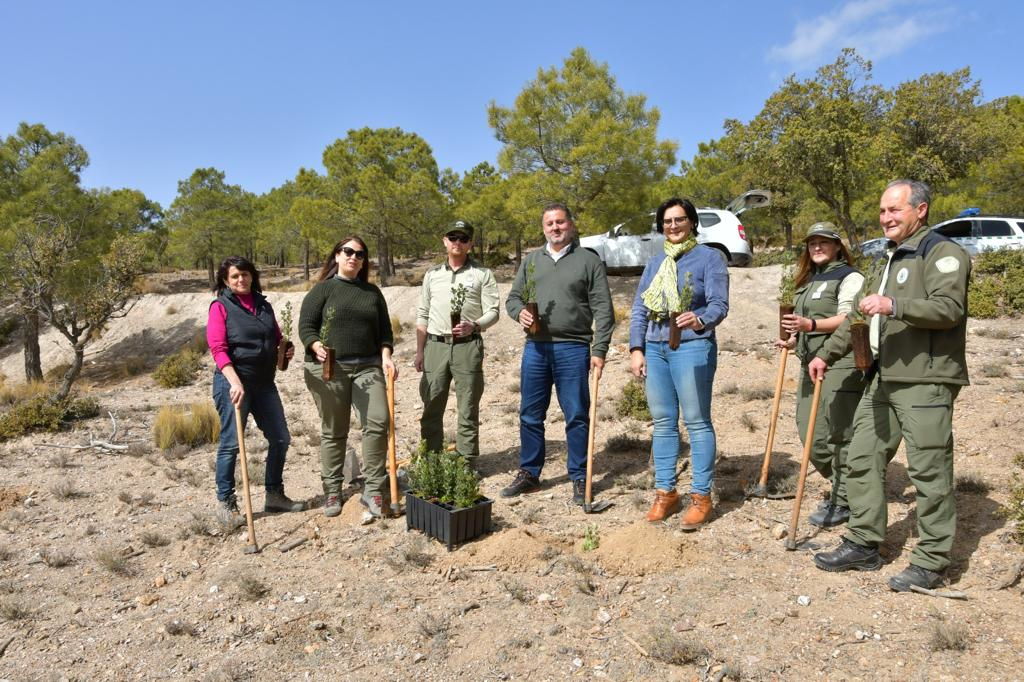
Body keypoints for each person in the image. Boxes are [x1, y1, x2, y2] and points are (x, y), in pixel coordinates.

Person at [810, 180, 970, 592]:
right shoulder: (888, 259)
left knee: (929, 470)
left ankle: (932, 562)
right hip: (882, 377)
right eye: (882, 211)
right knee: (862, 457)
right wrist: (824, 354)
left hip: (925, 380)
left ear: (921, 210)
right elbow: (856, 320)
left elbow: (949, 308)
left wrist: (894, 305)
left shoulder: (942, 253)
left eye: (895, 210)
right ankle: (863, 542)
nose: (886, 218)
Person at [502, 203, 615, 503]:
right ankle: (530, 473)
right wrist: (519, 314)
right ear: (543, 228)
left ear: (571, 225)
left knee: (577, 415)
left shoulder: (588, 261)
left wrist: (600, 349)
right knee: (529, 414)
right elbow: (513, 298)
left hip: (574, 348)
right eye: (549, 223)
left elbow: (604, 309)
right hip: (536, 349)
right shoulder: (531, 261)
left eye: (560, 222)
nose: (555, 228)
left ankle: (580, 476)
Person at [628, 198, 729, 529]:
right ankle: (666, 492)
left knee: (697, 421)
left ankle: (701, 496)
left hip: (692, 347)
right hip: (655, 349)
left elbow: (719, 305)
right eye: (667, 221)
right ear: (661, 226)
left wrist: (699, 319)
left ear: (692, 222)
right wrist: (636, 348)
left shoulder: (709, 258)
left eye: (679, 219)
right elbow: (641, 308)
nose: (673, 226)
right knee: (663, 422)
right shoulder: (655, 262)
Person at [298, 236, 397, 519]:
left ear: (364, 261)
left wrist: (386, 356)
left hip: (368, 368)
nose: (353, 257)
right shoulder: (323, 290)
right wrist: (315, 345)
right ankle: (332, 490)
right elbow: (306, 327)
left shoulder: (372, 293)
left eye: (360, 254)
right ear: (337, 256)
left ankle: (374, 489)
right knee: (334, 430)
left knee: (378, 422)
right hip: (331, 368)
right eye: (348, 252)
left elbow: (385, 333)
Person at [775, 222, 865, 528]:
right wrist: (794, 338)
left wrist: (810, 326)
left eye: (824, 242)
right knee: (809, 434)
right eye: (812, 242)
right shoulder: (808, 279)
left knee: (839, 433)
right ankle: (847, 485)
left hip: (840, 362)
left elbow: (849, 318)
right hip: (808, 363)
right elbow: (802, 322)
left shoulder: (849, 277)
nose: (817, 247)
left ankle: (845, 499)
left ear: (838, 246)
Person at [207, 256, 302, 523]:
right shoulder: (220, 307)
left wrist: (285, 348)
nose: (241, 280)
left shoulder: (263, 305)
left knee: (281, 438)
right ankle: (226, 503)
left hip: (264, 384)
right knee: (230, 445)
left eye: (245, 274)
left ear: (252, 276)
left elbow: (276, 337)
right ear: (226, 281)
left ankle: (274, 495)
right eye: (235, 276)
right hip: (233, 383)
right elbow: (218, 349)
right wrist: (234, 381)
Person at [415, 220, 500, 466]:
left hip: (467, 346)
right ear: (444, 241)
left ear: (471, 244)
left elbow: (493, 311)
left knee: (468, 406)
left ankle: (467, 463)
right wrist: (420, 351)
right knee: (432, 405)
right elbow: (422, 314)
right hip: (435, 346)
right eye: (453, 237)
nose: (457, 243)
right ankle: (431, 462)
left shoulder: (482, 274)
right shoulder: (432, 275)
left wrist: (474, 325)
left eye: (463, 239)